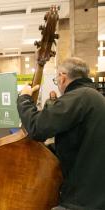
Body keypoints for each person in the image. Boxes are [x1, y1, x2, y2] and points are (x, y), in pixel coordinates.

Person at [17, 57, 105, 210]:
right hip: (94, 192)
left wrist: (24, 98)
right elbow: (80, 140)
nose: (57, 82)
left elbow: (37, 128)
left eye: (56, 78)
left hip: (81, 199)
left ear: (63, 77)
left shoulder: (79, 97)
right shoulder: (93, 96)